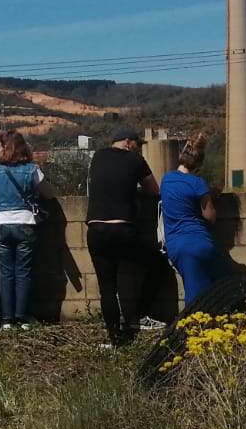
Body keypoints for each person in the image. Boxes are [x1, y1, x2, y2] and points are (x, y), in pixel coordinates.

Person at [86, 126, 165, 347]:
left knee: (107, 286)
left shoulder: (97, 157)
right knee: (157, 263)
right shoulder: (135, 161)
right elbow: (153, 191)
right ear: (128, 142)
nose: (139, 149)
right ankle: (140, 317)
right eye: (138, 145)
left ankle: (114, 339)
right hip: (122, 230)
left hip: (95, 230)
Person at [0, 131, 54, 331]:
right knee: (23, 271)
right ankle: (22, 318)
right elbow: (48, 194)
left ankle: (6, 320)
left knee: (5, 273)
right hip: (25, 223)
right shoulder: (32, 169)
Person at [160, 132, 227, 309]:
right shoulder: (198, 184)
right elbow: (210, 217)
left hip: (176, 246)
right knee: (200, 299)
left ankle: (199, 330)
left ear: (181, 158)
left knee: (200, 293)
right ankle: (197, 330)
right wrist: (210, 195)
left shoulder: (166, 179)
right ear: (198, 164)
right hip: (198, 243)